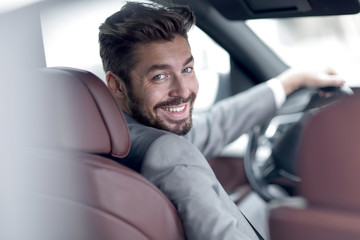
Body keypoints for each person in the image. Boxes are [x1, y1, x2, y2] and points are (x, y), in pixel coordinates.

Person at [98, 2, 344, 239]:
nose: (183, 91)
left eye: (187, 70)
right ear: (116, 85)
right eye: (160, 76)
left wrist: (288, 82)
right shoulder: (167, 151)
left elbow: (214, 125)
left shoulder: (118, 138)